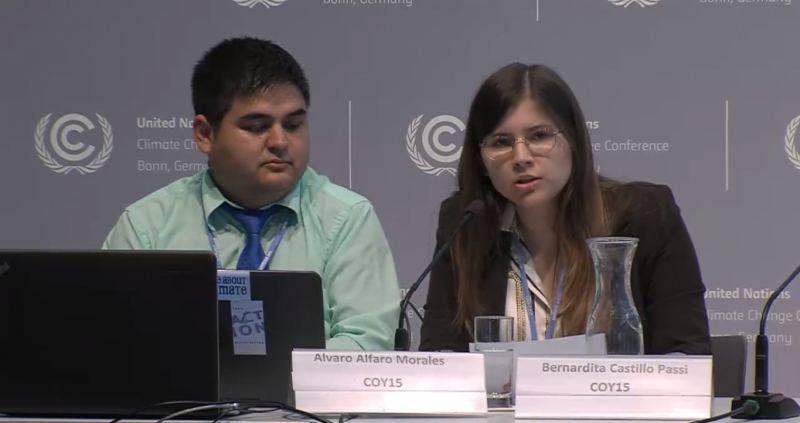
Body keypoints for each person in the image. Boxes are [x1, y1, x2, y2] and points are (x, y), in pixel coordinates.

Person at [102, 37, 401, 351]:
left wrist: (275, 372)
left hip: (308, 387)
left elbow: (367, 344)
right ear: (204, 134)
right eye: (257, 127)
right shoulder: (147, 227)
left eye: (293, 124)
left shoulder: (347, 217)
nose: (280, 142)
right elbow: (114, 343)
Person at [419, 63, 711, 355]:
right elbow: (441, 351)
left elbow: (687, 355)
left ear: (573, 141)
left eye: (539, 136)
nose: (521, 157)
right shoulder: (464, 223)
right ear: (481, 159)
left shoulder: (646, 217)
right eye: (501, 142)